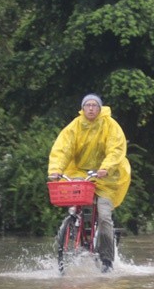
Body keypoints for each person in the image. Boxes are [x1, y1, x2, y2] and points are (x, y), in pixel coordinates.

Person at [48, 94, 131, 272]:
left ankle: (107, 260)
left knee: (104, 217)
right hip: (81, 174)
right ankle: (75, 225)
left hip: (106, 178)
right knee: (75, 199)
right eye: (88, 105)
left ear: (100, 108)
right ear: (83, 108)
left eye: (94, 105)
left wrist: (106, 168)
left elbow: (116, 149)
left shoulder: (110, 126)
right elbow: (62, 149)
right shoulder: (75, 126)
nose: (91, 108)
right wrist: (55, 170)